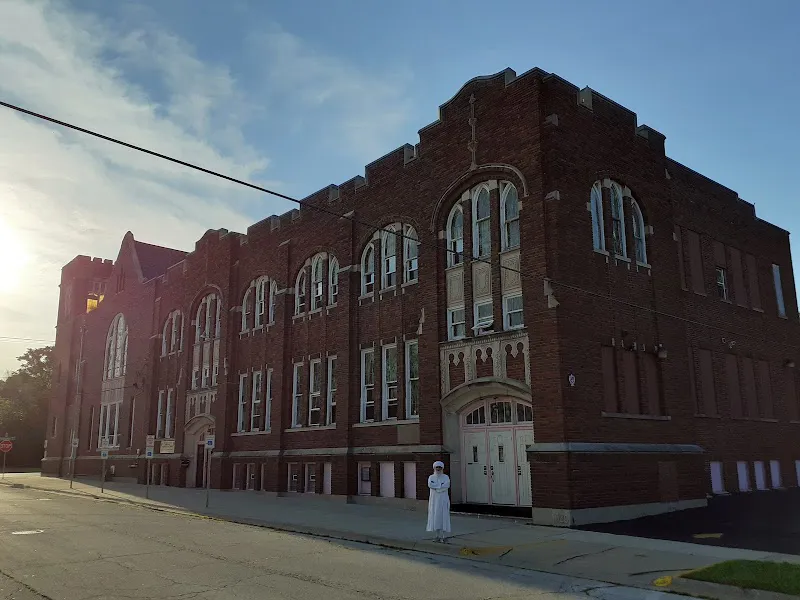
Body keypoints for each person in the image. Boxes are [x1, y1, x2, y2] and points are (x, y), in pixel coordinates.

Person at [426, 460, 451, 542]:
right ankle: (437, 535)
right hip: (434, 501)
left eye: (440, 467)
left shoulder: (446, 477)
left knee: (443, 517)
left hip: (443, 500)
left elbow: (446, 485)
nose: (438, 469)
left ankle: (444, 536)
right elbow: (430, 485)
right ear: (434, 468)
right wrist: (440, 486)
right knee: (435, 516)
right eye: (437, 467)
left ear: (442, 468)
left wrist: (437, 487)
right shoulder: (431, 477)